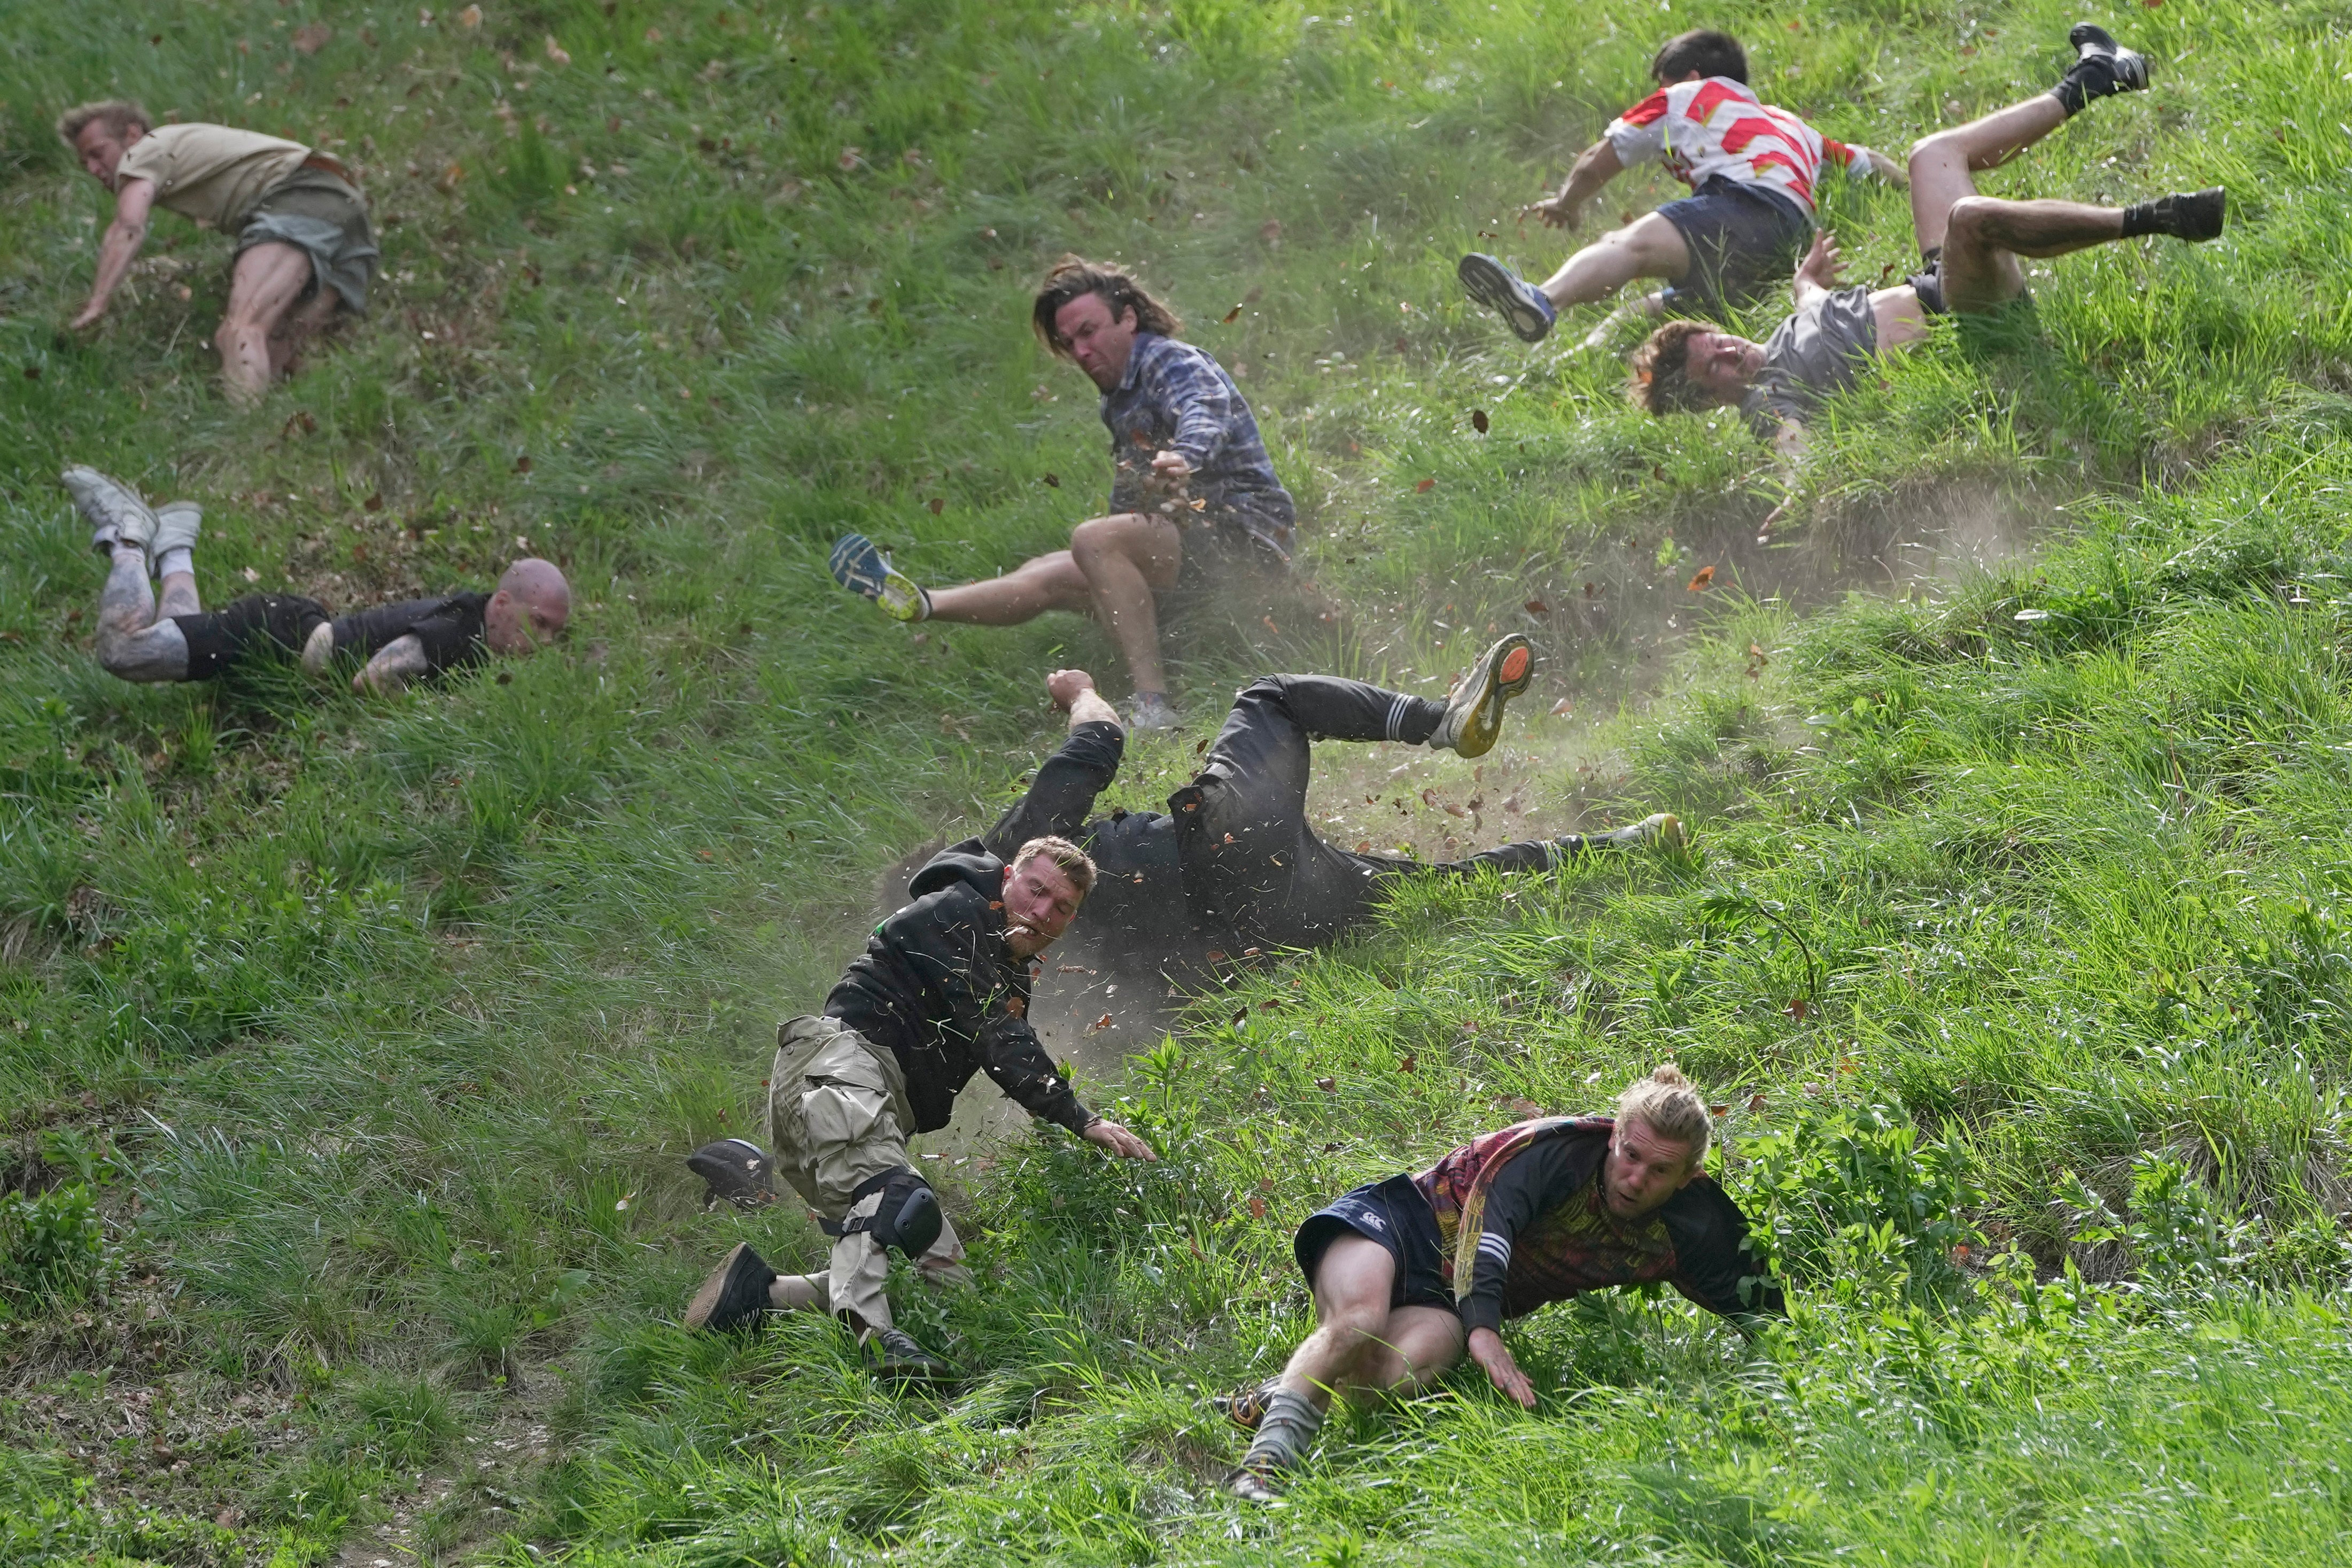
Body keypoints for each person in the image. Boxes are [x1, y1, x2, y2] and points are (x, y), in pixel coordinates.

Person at [1627, 24, 2223, 461]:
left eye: (1720, 343)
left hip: (1944, 282)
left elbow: (1809, 300)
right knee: (1968, 218)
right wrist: (1801, 490)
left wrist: (1807, 278)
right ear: (1711, 401)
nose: (1732, 354)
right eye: (1717, 369)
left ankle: (2096, 78)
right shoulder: (1770, 401)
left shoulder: (1787, 335)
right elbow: (1794, 450)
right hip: (1969, 323)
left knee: (1929, 154)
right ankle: (2156, 218)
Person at [682, 835, 1160, 1379]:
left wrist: (1061, 1145)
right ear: (1009, 878)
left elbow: (1010, 1052)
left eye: (1062, 908)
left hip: (856, 1104)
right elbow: (1000, 1037)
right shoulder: (960, 912)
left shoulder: (1006, 974)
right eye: (1037, 890)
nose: (1043, 911)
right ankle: (872, 1341)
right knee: (895, 1197)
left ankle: (757, 1296)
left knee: (945, 1270)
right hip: (840, 1069)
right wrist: (1083, 1119)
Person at [1221, 1066, 1782, 1503]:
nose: (1636, 1179)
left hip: (1441, 1301)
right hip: (1398, 1227)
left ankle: (1279, 1393)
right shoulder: (1556, 1151)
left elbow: (1763, 1311)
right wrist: (1485, 1329)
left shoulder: (1695, 1225)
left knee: (1388, 1380)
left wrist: (1788, 1369)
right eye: (1630, 1156)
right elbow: (1487, 1230)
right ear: (1614, 1137)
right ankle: (1264, 1469)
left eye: (1659, 1171)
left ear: (1689, 1178)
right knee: (1359, 1323)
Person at [939, 634, 1675, 964]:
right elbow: (1096, 744)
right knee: (1272, 698)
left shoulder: (999, 972)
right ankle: (1439, 723)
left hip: (1264, 928)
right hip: (1225, 841)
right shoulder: (1006, 856)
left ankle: (1625, 846)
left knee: (1433, 891)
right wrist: (1081, 692)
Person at [827, 255, 1295, 731]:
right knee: (1048, 572)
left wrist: (1185, 456)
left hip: (1246, 542)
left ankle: (1154, 706)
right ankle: (923, 603)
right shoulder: (1118, 399)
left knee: (1093, 540)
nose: (1081, 351)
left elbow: (1203, 405)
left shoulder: (1166, 359)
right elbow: (1133, 503)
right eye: (1070, 343)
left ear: (1128, 317)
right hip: (1193, 548)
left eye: (1089, 332)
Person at [1458, 30, 1900, 351]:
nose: (1659, 93)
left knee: (1628, 246)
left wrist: (1565, 203)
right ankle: (1576, 364)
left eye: (1662, 84)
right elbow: (1873, 163)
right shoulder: (1794, 126)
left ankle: (1542, 300)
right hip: (1788, 248)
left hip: (1740, 206)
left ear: (1688, 75)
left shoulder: (1683, 96)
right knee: (1649, 309)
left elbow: (1597, 161)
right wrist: (1918, 182)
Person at [61, 466, 567, 692]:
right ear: (502, 604)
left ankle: (174, 545)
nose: (544, 642)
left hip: (291, 633)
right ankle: (128, 536)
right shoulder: (460, 633)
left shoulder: (472, 629)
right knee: (123, 652)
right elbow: (375, 677)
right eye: (539, 624)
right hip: (281, 636)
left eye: (554, 633)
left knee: (182, 629)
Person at [59, 100, 379, 406]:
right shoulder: (179, 147)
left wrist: (97, 305)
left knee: (240, 331)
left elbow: (128, 227)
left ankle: (247, 448)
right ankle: (291, 443)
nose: (92, 168)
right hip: (349, 217)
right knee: (278, 344)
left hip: (301, 196)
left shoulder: (146, 148)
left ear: (131, 134)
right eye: (84, 163)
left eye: (98, 154)